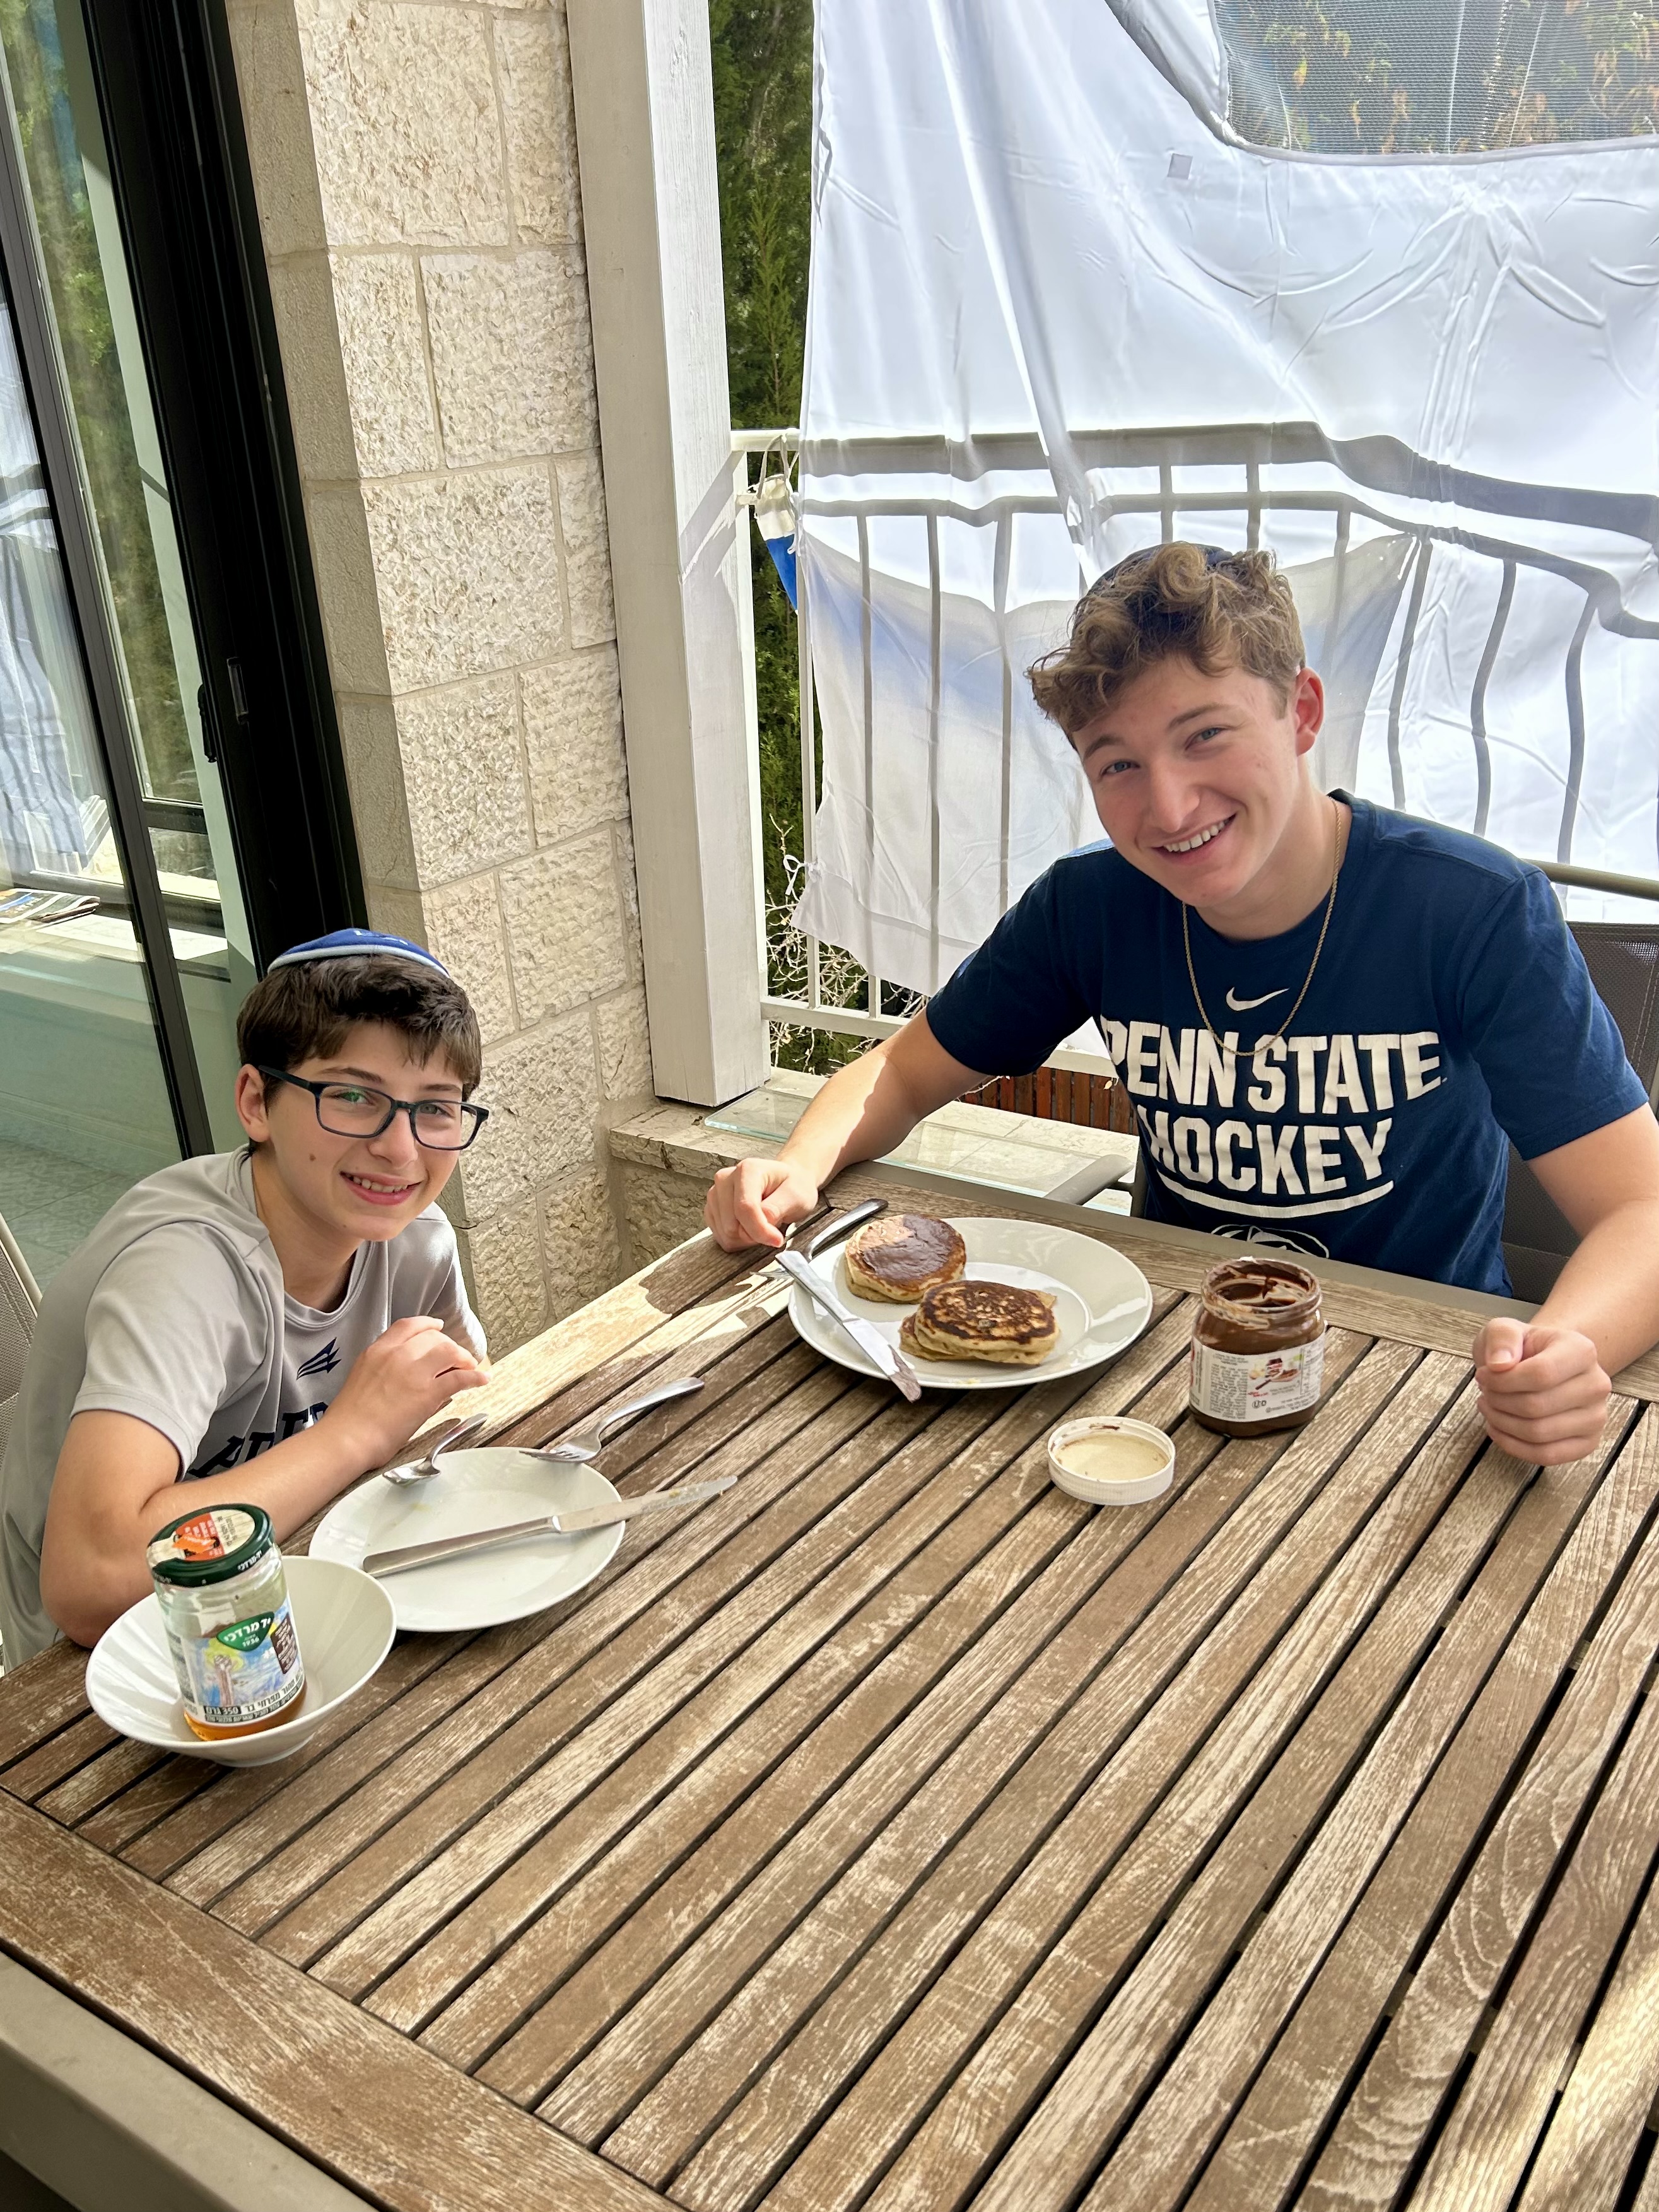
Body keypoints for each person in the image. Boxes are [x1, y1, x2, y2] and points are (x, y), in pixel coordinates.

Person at [707, 543, 1659, 1467]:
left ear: (1301, 712)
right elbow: (904, 1068)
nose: (1166, 808)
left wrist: (1568, 1351)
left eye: (1204, 734)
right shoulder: (1088, 908)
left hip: (1417, 1382)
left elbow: (1640, 1208)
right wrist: (796, 1163)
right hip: (1157, 1353)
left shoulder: (1473, 908)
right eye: (1115, 764)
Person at [0, 929, 492, 1664]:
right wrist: (351, 1433)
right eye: (353, 1096)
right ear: (256, 1101)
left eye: (437, 1108)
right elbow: (91, 1578)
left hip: (304, 1579)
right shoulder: (185, 1268)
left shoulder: (413, 1236)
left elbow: (453, 1412)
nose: (401, 1150)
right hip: (114, 1665)